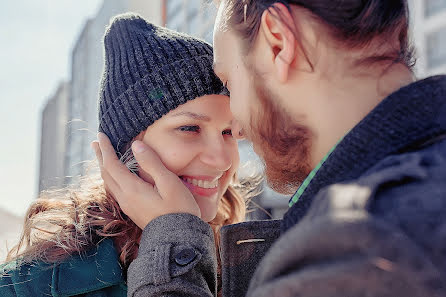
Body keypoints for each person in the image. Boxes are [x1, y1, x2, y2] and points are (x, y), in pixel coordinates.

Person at [96, 1, 446, 296]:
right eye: (189, 128)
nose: (240, 130)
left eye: (231, 82)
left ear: (279, 43)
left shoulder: (356, 248)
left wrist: (172, 246)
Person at [0, 13, 247, 297]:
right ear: (123, 148)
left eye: (228, 132)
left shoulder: (247, 267)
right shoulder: (28, 286)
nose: (223, 160)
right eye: (190, 128)